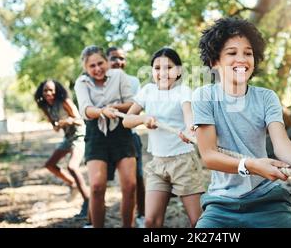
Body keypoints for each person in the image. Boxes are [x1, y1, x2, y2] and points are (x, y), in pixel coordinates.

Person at [191, 17, 291, 228]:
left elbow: (282, 146)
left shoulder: (266, 98)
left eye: (248, 53)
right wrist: (251, 166)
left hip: (268, 201)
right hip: (221, 205)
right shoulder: (204, 97)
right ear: (214, 61)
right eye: (232, 53)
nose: (242, 59)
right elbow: (209, 156)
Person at [123, 48, 205, 228]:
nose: (162, 72)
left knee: (197, 222)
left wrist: (191, 131)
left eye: (169, 67)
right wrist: (143, 119)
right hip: (158, 164)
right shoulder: (147, 91)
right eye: (157, 68)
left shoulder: (183, 91)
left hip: (183, 163)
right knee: (151, 221)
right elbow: (127, 121)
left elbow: (188, 115)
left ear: (179, 71)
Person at [74, 45, 136, 228]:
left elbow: (131, 103)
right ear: (86, 68)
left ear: (107, 61)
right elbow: (85, 109)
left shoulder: (119, 76)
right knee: (97, 187)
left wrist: (115, 108)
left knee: (130, 186)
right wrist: (102, 111)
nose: (97, 68)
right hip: (96, 134)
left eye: (100, 63)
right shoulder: (81, 83)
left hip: (121, 132)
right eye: (92, 66)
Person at [34, 79, 89, 218]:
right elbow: (54, 126)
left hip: (79, 135)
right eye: (45, 90)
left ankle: (88, 203)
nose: (48, 93)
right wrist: (57, 126)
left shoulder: (65, 101)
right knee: (50, 165)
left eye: (51, 90)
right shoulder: (45, 106)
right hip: (67, 137)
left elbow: (79, 120)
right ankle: (72, 184)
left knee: (72, 167)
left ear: (56, 90)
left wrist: (65, 121)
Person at [106, 46, 145, 228]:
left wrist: (112, 106)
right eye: (114, 58)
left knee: (137, 178)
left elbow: (134, 109)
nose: (118, 62)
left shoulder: (133, 81)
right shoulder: (100, 80)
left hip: (130, 135)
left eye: (121, 58)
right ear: (106, 60)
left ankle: (142, 214)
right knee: (99, 183)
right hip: (105, 137)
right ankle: (91, 218)